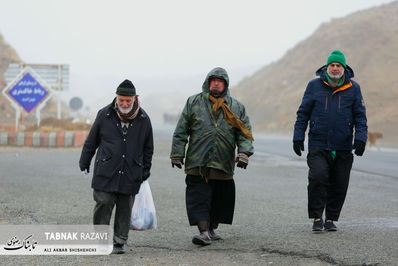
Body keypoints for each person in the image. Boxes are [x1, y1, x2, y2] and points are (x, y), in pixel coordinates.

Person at [170, 67, 254, 245]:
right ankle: (203, 232)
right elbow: (181, 130)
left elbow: (244, 133)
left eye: (220, 80)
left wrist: (244, 153)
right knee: (198, 198)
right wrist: (177, 153)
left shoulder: (236, 107)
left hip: (223, 162)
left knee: (220, 199)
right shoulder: (193, 102)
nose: (216, 83)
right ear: (208, 83)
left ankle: (211, 229)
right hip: (197, 162)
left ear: (225, 84)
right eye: (213, 80)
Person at [293, 50, 368, 232]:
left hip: (343, 146)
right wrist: (298, 136)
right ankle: (317, 217)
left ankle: (331, 218)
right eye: (332, 65)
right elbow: (303, 113)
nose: (335, 68)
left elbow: (360, 116)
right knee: (318, 177)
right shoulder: (314, 86)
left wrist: (360, 138)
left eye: (338, 65)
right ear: (326, 67)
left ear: (344, 68)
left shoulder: (354, 88)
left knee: (340, 183)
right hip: (318, 144)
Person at [79, 79, 154, 254]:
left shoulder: (144, 119)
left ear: (135, 99)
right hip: (106, 169)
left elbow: (148, 148)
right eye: (121, 100)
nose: (125, 104)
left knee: (124, 207)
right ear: (116, 98)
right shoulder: (104, 114)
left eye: (128, 100)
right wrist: (85, 161)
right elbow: (92, 141)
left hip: (131, 171)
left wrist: (145, 169)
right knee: (103, 202)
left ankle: (120, 241)